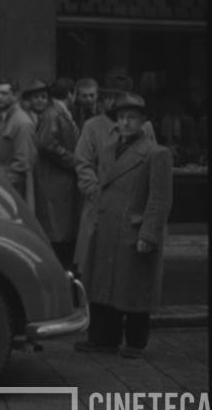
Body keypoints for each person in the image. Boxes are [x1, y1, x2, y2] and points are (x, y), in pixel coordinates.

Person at [73, 93, 173, 359]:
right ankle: (104, 339)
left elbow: (160, 199)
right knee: (104, 284)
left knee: (134, 287)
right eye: (121, 118)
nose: (126, 123)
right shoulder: (108, 148)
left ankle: (135, 343)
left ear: (143, 122)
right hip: (107, 225)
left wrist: (149, 233)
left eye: (132, 118)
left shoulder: (156, 154)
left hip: (132, 227)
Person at [28, 79, 81, 267]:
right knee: (57, 235)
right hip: (55, 183)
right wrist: (73, 160)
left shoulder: (57, 113)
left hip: (59, 182)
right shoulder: (53, 114)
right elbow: (47, 144)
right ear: (70, 94)